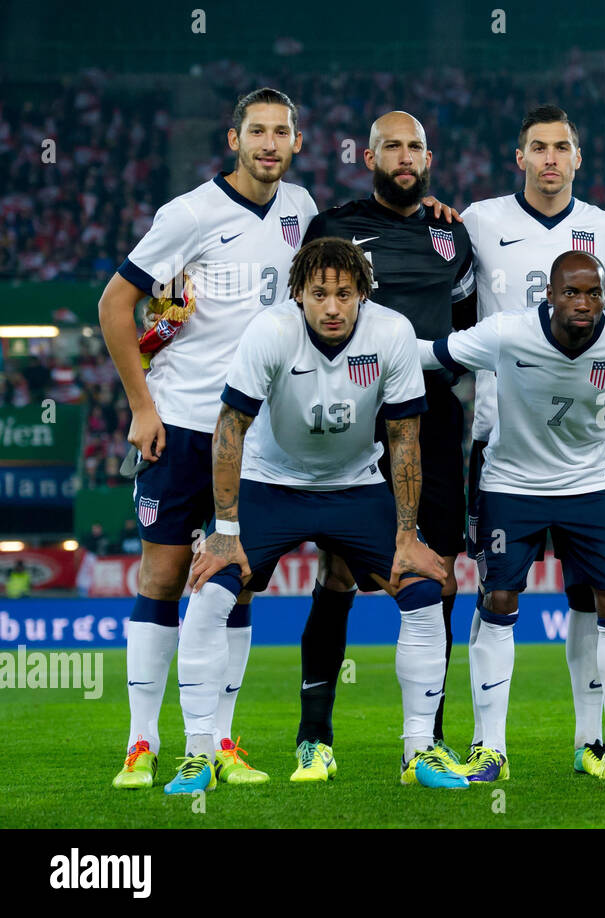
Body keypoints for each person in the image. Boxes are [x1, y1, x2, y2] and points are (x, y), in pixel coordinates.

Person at [165, 236, 465, 794]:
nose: (332, 307)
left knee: (424, 588)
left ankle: (419, 751)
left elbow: (404, 438)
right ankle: (199, 751)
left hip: (355, 486)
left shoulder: (392, 333)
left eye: (345, 294)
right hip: (271, 484)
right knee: (211, 590)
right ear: (298, 292)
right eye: (319, 294)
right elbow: (229, 428)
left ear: (363, 294)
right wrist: (225, 531)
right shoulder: (270, 331)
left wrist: (406, 533)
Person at [98, 87, 316, 789]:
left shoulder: (301, 210)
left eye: (281, 132)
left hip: (256, 432)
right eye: (257, 131)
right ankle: (141, 742)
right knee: (162, 576)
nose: (269, 144)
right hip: (182, 425)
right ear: (234, 139)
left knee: (236, 583)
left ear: (296, 142)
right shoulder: (188, 213)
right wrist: (141, 408)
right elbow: (115, 302)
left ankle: (221, 740)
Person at [422, 251, 605, 781]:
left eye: (593, 293)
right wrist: (363, 345)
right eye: (571, 291)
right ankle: (491, 749)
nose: (583, 302)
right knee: (499, 598)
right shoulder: (507, 333)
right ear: (548, 295)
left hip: (589, 485)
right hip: (511, 483)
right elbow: (434, 353)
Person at [295, 111, 474, 772]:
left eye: (416, 147)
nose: (405, 156)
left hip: (432, 417)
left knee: (443, 576)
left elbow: (464, 326)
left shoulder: (451, 234)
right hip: (355, 414)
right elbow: (306, 312)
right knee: (339, 569)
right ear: (368, 156)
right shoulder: (333, 227)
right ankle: (315, 737)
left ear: (429, 157)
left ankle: (429, 738)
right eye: (392, 146)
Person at [458, 105, 605, 776]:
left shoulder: (604, 228)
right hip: (500, 441)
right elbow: (444, 302)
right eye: (539, 147)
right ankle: (488, 746)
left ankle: (599, 742)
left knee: (595, 598)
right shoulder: (478, 220)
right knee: (499, 596)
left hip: (587, 450)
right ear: (520, 157)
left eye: (563, 146)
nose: (551, 157)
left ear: (577, 158)